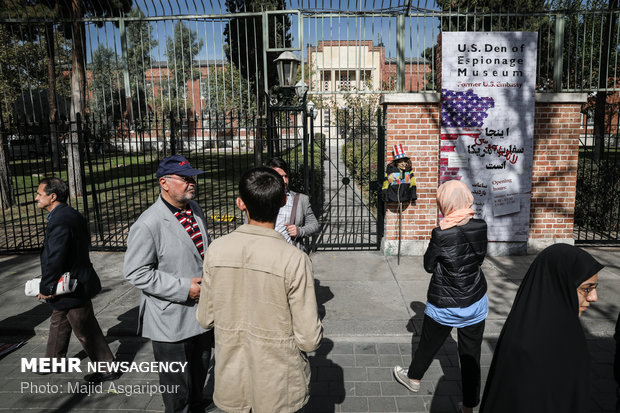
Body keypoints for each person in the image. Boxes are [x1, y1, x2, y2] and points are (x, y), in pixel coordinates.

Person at [196, 166, 323, 413]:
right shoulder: (294, 259)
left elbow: (204, 318)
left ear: (240, 203)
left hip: (232, 377)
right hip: (278, 383)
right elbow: (309, 339)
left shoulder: (217, 250)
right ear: (284, 201)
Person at [124, 155, 213, 413]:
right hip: (170, 320)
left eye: (192, 178)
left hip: (201, 314)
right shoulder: (148, 223)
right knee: (176, 390)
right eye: (185, 179)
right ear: (164, 182)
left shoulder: (195, 209)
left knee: (199, 372)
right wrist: (185, 288)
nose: (191, 183)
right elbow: (136, 273)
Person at [393, 180, 488, 413]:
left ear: (444, 202)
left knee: (428, 344)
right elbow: (479, 258)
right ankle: (468, 407)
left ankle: (413, 378)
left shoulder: (441, 233)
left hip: (445, 303)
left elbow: (428, 265)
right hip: (475, 299)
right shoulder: (481, 225)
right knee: (470, 356)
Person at [480, 243, 603, 413]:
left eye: (594, 287)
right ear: (559, 284)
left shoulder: (568, 330)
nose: (594, 297)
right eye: (586, 288)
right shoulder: (527, 348)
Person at [35, 177, 117, 383]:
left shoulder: (60, 220)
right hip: (73, 280)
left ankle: (107, 367)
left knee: (84, 325)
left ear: (52, 197)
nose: (36, 198)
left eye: (39, 194)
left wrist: (47, 286)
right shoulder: (69, 214)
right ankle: (53, 361)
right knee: (59, 320)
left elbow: (56, 256)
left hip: (72, 284)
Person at [266, 157, 319, 252]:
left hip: (291, 255)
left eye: (286, 176)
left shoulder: (300, 200)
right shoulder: (259, 199)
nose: (285, 181)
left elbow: (314, 224)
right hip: (266, 255)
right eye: (280, 177)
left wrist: (299, 231)